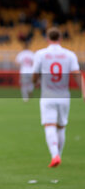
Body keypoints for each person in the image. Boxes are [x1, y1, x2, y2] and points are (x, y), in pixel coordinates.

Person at [32, 27, 80, 168]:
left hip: (48, 95)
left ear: (47, 39)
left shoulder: (41, 54)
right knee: (61, 127)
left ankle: (55, 155)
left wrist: (35, 82)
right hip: (64, 96)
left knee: (49, 125)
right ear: (60, 39)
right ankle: (58, 153)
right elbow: (76, 74)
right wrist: (83, 91)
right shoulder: (69, 54)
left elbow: (35, 74)